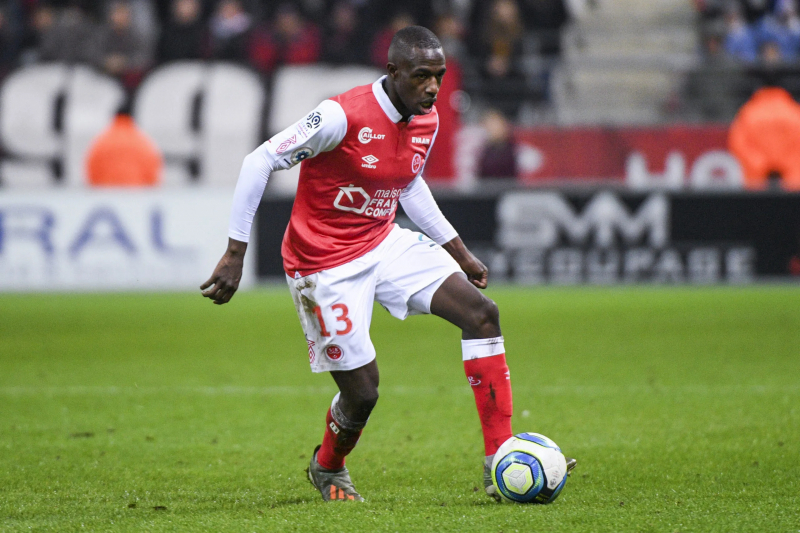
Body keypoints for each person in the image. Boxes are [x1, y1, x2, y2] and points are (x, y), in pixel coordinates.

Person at [200, 25, 576, 502]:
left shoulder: (426, 118)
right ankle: (327, 466)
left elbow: (408, 182)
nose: (433, 88)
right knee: (363, 393)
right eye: (421, 76)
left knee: (482, 314)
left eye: (439, 76)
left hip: (382, 241)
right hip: (322, 264)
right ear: (393, 71)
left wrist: (458, 252)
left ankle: (498, 457)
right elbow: (259, 161)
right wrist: (235, 253)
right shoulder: (341, 115)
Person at [85, 99, 162, 187]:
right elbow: (152, 175)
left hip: (106, 191)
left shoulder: (100, 141)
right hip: (136, 192)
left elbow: (91, 172)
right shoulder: (144, 142)